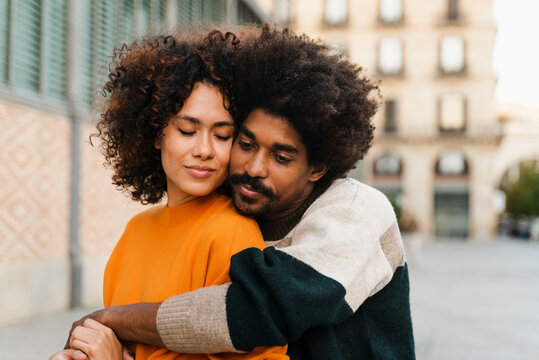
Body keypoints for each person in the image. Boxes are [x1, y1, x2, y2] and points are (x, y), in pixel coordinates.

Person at [66, 25, 415, 359]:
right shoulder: (238, 210)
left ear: (317, 167)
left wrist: (112, 320)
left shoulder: (355, 212)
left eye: (280, 157)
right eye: (245, 143)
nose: (254, 168)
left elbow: (260, 310)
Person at [51, 30, 288, 360]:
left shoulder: (231, 233)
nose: (204, 150)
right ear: (156, 133)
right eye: (187, 131)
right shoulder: (136, 231)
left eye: (222, 135)